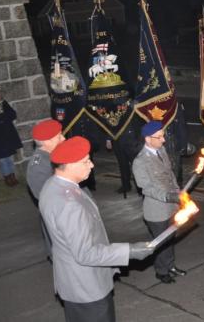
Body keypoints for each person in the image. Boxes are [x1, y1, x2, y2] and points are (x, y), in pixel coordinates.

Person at [38, 136, 155, 322]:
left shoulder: (51, 186)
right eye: (86, 161)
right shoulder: (69, 203)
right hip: (86, 287)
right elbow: (86, 253)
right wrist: (130, 251)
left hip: (72, 282)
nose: (92, 165)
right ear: (69, 165)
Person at [131, 121, 188, 284]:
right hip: (156, 210)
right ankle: (161, 271)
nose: (163, 140)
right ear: (148, 139)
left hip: (171, 206)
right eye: (160, 137)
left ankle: (170, 266)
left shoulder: (161, 150)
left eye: (163, 135)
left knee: (170, 239)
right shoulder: (140, 162)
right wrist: (168, 196)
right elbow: (146, 188)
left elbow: (170, 176)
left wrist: (178, 193)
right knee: (161, 243)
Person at [26, 119, 65, 258]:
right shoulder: (39, 166)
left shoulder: (54, 156)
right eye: (59, 136)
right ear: (47, 141)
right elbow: (46, 198)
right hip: (60, 219)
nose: (64, 138)